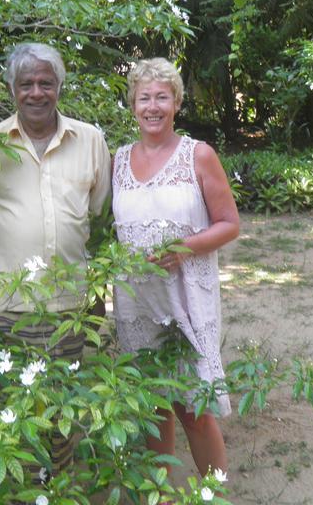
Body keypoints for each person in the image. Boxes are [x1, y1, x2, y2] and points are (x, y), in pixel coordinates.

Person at [0, 42, 111, 473]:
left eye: (46, 83)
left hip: (70, 308)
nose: (36, 93)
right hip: (6, 308)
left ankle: (53, 489)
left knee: (62, 410)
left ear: (59, 87)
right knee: (12, 413)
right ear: (12, 89)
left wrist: (98, 291)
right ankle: (22, 494)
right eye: (26, 84)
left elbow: (97, 218)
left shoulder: (91, 140)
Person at [111, 57, 239, 481]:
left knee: (194, 407)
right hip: (137, 304)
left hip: (185, 300)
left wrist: (185, 248)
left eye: (162, 97)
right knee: (153, 404)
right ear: (132, 104)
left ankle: (212, 494)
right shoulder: (117, 161)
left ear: (177, 103)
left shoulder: (198, 155)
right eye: (144, 97)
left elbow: (229, 224)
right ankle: (159, 494)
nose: (152, 106)